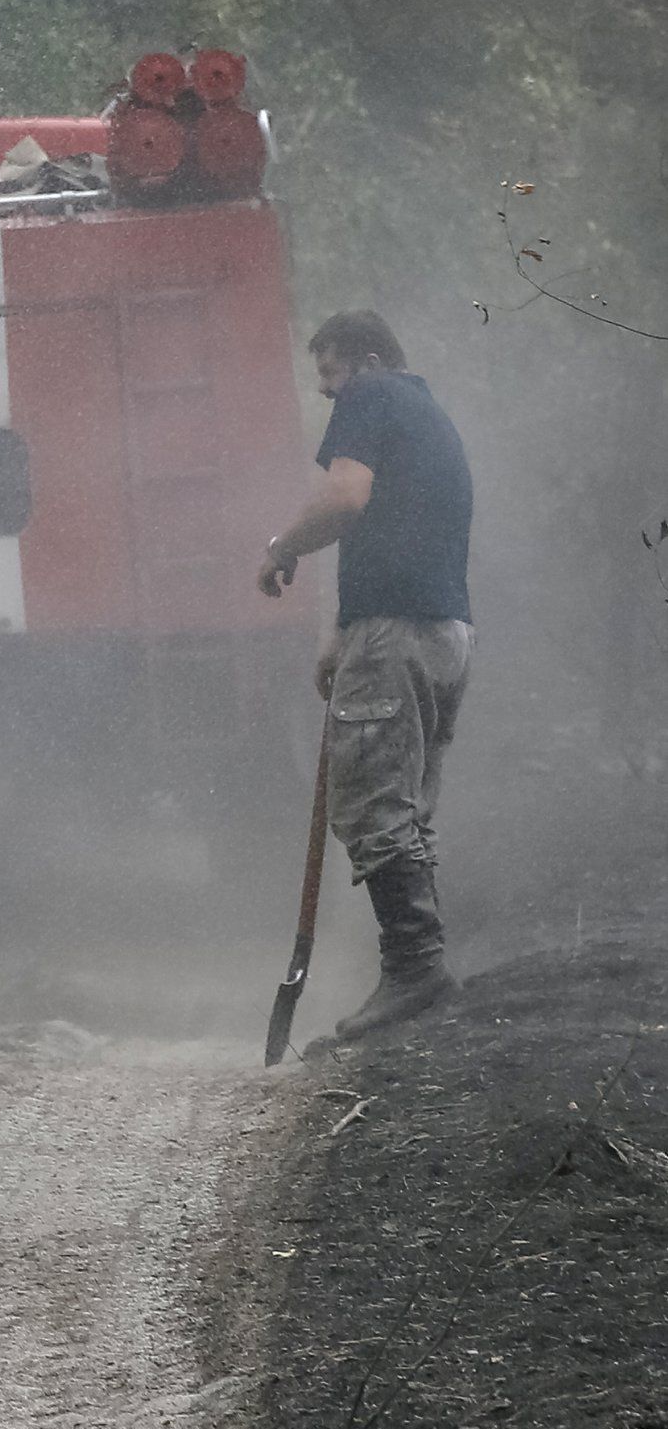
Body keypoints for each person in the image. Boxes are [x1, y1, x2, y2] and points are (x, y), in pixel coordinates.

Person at [255, 309, 474, 1043]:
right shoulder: (424, 412)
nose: (328, 393)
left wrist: (281, 546)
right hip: (442, 630)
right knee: (406, 805)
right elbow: (380, 530)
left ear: (369, 360)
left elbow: (344, 499)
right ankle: (424, 969)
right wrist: (335, 634)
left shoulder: (373, 397)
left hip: (397, 631)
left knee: (373, 800)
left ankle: (415, 971)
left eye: (331, 374)